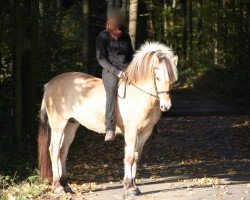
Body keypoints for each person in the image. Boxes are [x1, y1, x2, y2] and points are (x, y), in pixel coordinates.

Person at [96, 10, 134, 141]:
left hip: (127, 69)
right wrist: (117, 72)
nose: (120, 33)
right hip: (110, 71)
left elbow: (130, 56)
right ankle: (110, 128)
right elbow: (101, 59)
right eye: (118, 29)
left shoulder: (126, 37)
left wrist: (130, 70)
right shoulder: (102, 37)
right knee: (111, 93)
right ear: (111, 25)